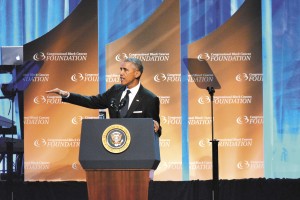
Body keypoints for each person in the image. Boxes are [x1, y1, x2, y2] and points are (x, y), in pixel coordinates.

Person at [46, 57, 161, 136]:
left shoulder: (149, 99)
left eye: (125, 70)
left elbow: (156, 130)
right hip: (113, 147)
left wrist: (156, 128)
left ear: (137, 73)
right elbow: (92, 101)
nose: (121, 73)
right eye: (121, 69)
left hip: (136, 154)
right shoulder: (115, 90)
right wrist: (66, 94)